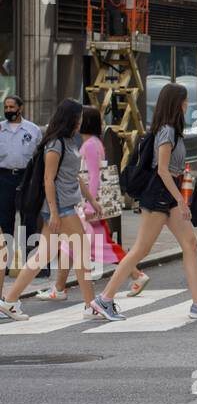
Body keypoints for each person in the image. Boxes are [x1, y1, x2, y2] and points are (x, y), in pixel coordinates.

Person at [91, 83, 197, 321]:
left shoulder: (171, 130)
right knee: (142, 248)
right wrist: (181, 201)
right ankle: (105, 298)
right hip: (160, 193)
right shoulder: (167, 131)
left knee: (190, 243)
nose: (186, 105)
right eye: (184, 101)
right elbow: (162, 170)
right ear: (176, 103)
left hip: (165, 194)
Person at [0, 99, 97, 321]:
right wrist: (53, 212)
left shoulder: (69, 140)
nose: (82, 120)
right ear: (71, 118)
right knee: (81, 252)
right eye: (79, 116)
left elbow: (73, 176)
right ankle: (91, 306)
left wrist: (92, 199)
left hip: (63, 206)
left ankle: (9, 301)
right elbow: (48, 180)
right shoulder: (55, 144)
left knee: (42, 255)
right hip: (60, 208)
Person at [40, 106, 147, 302]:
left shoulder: (89, 145)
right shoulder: (94, 142)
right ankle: (59, 287)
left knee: (100, 246)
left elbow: (93, 175)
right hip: (85, 202)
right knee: (72, 246)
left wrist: (90, 205)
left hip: (86, 204)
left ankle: (136, 274)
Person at [0, 93, 43, 288]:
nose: (9, 110)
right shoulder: (0, 129)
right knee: (5, 222)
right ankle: (5, 265)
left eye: (12, 107)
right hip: (4, 177)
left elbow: (39, 157)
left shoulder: (33, 130)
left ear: (21, 108)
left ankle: (31, 264)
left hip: (26, 179)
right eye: (6, 107)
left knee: (29, 220)